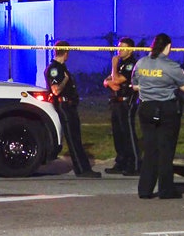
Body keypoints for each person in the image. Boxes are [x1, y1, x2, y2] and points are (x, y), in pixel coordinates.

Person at [131, 33, 184, 199]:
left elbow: (135, 85)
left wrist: (149, 86)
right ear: (168, 47)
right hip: (166, 109)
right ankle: (165, 190)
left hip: (146, 108)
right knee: (165, 150)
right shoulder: (171, 66)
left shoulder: (141, 62)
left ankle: (145, 189)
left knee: (150, 150)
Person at [45, 41, 102, 178]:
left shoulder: (61, 67)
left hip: (70, 106)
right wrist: (65, 80)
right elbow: (56, 90)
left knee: (76, 138)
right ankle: (82, 170)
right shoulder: (55, 69)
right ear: (65, 53)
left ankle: (84, 168)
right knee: (73, 139)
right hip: (64, 106)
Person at [103, 37, 141, 176]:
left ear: (130, 49)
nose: (119, 50)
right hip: (116, 101)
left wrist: (113, 66)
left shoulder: (131, 64)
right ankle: (121, 162)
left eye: (123, 47)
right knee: (118, 134)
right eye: (118, 47)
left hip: (127, 102)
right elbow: (107, 80)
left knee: (128, 133)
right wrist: (109, 82)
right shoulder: (121, 64)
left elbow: (117, 79)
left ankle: (134, 164)